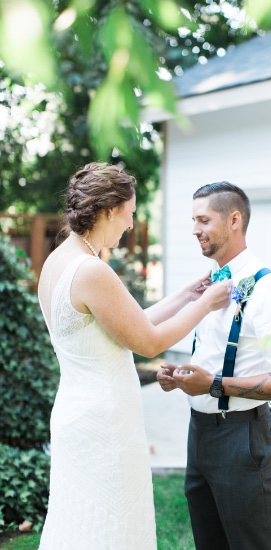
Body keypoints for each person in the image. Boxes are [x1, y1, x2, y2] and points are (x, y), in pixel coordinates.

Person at [37, 163, 232, 550]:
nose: (130, 223)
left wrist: (186, 295)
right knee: (114, 530)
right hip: (104, 422)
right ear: (110, 209)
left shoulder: (58, 261)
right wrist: (207, 305)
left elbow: (127, 325)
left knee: (80, 526)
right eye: (129, 213)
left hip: (76, 413)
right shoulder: (91, 270)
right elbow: (148, 342)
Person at [157, 182, 271, 550]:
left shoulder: (267, 289)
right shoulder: (211, 285)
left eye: (203, 220)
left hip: (243, 438)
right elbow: (213, 355)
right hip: (200, 434)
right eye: (193, 220)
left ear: (234, 220)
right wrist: (181, 377)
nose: (194, 230)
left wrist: (214, 384)